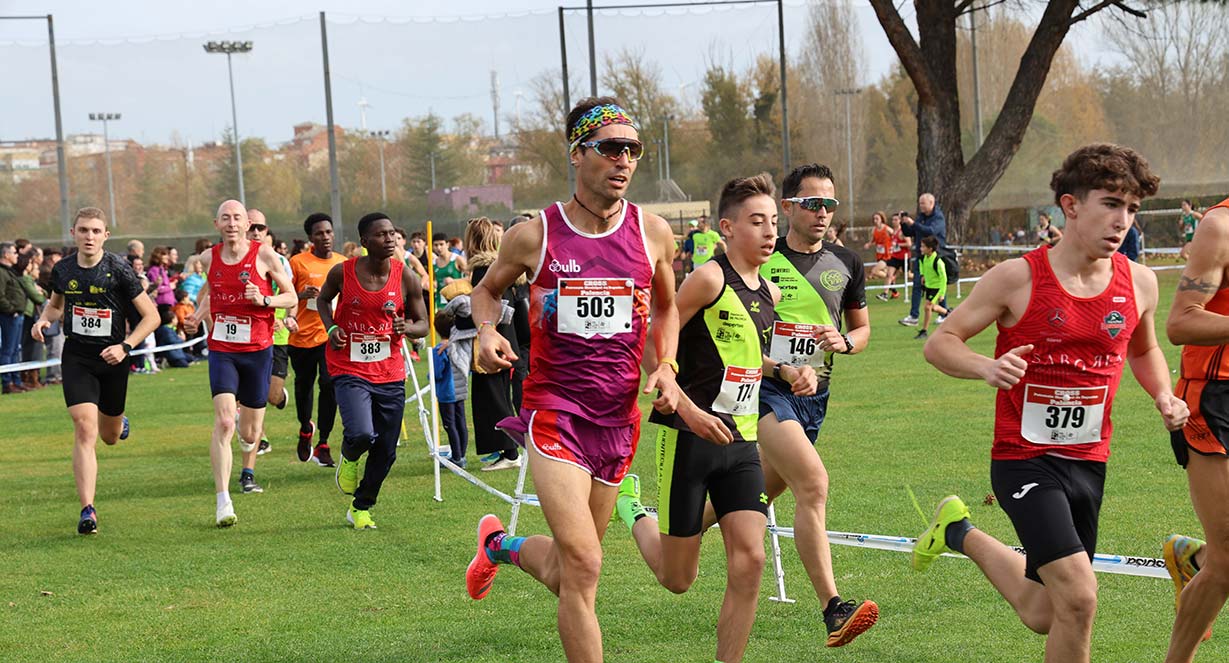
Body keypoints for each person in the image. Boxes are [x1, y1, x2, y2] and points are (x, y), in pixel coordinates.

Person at [916, 143, 1188, 663]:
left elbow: (1145, 347)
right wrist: (987, 367)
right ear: (1070, 206)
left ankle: (957, 530)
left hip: (1089, 461)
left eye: (1131, 209)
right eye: (1111, 204)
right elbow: (940, 342)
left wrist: (1163, 394)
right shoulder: (1018, 278)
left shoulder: (1140, 282)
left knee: (1046, 611)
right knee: (1081, 598)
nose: (1123, 221)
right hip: (1024, 458)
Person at [462, 96, 682, 663]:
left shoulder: (653, 233)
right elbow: (485, 290)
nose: (624, 160)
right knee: (585, 563)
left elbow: (665, 308)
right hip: (555, 411)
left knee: (568, 573)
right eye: (611, 148)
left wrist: (666, 363)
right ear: (578, 154)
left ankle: (498, 546)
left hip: (618, 419)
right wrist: (486, 332)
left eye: (633, 150)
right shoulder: (535, 235)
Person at [615, 174, 815, 663]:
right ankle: (635, 513)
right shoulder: (708, 277)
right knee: (677, 579)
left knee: (750, 561)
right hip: (688, 439)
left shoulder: (767, 289)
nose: (769, 232)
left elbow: (746, 355)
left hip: (743, 441)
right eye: (756, 222)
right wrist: (680, 401)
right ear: (727, 227)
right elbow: (654, 341)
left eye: (773, 221)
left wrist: (785, 369)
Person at [740, 162, 879, 647]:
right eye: (813, 203)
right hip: (767, 390)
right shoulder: (760, 262)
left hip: (815, 398)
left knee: (745, 501)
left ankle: (647, 523)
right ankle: (833, 609)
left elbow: (862, 331)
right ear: (788, 207)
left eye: (830, 205)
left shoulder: (847, 263)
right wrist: (780, 369)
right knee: (814, 485)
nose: (822, 213)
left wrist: (844, 341)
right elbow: (734, 343)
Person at [31, 206, 160, 533]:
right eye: (83, 230)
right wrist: (45, 319)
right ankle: (88, 509)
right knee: (84, 428)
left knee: (109, 437)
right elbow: (57, 305)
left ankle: (118, 422)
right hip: (78, 357)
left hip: (114, 356)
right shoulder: (62, 269)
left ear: (106, 235)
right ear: (73, 233)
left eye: (95, 231)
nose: (89, 236)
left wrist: (126, 346)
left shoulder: (119, 269)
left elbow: (152, 317)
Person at [185, 200, 297, 527]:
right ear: (216, 224)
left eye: (237, 218)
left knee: (249, 433)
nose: (232, 223)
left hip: (257, 349)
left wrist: (264, 300)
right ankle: (223, 501)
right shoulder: (209, 258)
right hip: (222, 348)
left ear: (247, 224)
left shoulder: (264, 255)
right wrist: (197, 316)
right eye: (226, 218)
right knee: (223, 423)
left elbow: (291, 296)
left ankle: (246, 439)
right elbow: (212, 294)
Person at [320, 212, 428, 529]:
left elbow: (423, 324)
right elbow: (324, 301)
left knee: (386, 450)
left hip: (390, 371)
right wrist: (331, 328)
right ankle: (350, 455)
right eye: (381, 234)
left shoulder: (406, 276)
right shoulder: (342, 272)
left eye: (392, 233)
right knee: (362, 433)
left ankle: (361, 507)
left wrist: (407, 327)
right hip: (349, 365)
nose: (390, 238)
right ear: (365, 242)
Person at [1162, 194, 1229, 662]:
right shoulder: (1220, 227)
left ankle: (1195, 560)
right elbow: (1182, 322)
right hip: (1214, 399)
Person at [463, 217, 522, 472]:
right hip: (510, 341)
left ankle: (510, 452)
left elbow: (488, 308)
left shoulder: (482, 272)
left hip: (494, 344)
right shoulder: (502, 268)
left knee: (495, 399)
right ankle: (504, 449)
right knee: (497, 397)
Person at [288, 213, 346, 465]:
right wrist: (301, 295)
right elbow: (286, 295)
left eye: (329, 232)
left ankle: (323, 442)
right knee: (304, 387)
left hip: (329, 334)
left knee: (329, 384)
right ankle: (305, 429)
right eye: (320, 233)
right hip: (301, 337)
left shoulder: (343, 263)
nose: (325, 237)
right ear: (311, 238)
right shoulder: (298, 262)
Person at [247, 211, 294, 455]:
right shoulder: (230, 257)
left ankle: (279, 397)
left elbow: (292, 297)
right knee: (249, 392)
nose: (256, 232)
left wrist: (287, 319)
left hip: (277, 335)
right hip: (247, 337)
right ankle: (260, 437)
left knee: (271, 395)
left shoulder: (279, 261)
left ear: (267, 232)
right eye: (251, 227)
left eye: (260, 228)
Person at [899, 193, 946, 326]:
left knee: (937, 283)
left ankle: (944, 312)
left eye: (923, 203)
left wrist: (913, 223)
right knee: (917, 284)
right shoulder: (921, 217)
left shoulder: (938, 217)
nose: (921, 206)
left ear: (931, 203)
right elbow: (910, 232)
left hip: (935, 257)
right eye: (919, 203)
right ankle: (914, 316)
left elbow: (930, 231)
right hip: (921, 258)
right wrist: (904, 224)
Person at [432, 310, 468, 468]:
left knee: (450, 424)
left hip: (446, 393)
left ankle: (457, 457)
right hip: (460, 389)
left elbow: (437, 373)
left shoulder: (439, 350)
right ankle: (462, 454)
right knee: (461, 422)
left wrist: (430, 376)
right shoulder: (458, 346)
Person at [0, 242, 28, 393]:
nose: (17, 255)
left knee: (15, 350)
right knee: (8, 350)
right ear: (5, 255)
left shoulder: (9, 271)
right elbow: (0, 296)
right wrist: (11, 310)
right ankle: (7, 383)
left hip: (17, 315)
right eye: (14, 252)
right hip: (9, 316)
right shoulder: (2, 272)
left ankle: (16, 381)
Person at [914, 236, 949, 340]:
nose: (921, 248)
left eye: (923, 247)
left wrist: (942, 293)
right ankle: (949, 313)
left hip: (937, 288)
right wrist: (922, 275)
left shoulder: (938, 261)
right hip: (928, 287)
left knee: (927, 307)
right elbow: (922, 267)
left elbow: (944, 279)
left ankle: (924, 331)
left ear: (930, 249)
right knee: (932, 308)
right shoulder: (923, 258)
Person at [431, 232, 467, 308]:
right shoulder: (433, 263)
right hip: (441, 301)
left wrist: (454, 281)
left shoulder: (457, 259)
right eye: (436, 245)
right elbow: (433, 280)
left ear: (447, 244)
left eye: (441, 244)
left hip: (457, 299)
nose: (438, 248)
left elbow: (471, 277)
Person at [865, 211, 893, 300]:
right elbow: (873, 240)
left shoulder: (887, 229)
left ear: (882, 219)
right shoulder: (874, 230)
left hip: (888, 255)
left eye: (877, 218)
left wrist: (893, 245)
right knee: (886, 274)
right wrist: (869, 244)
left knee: (874, 271)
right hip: (879, 255)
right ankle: (891, 285)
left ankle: (890, 279)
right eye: (874, 219)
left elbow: (895, 237)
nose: (875, 220)